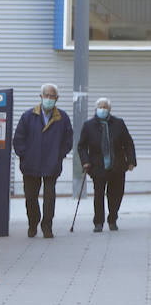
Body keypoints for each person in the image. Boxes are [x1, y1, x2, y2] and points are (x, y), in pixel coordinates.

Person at [12, 83, 74, 238]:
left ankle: (47, 226)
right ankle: (33, 223)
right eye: (46, 95)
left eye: (52, 96)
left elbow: (68, 140)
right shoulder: (28, 116)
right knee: (30, 197)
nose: (49, 98)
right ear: (41, 97)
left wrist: (59, 155)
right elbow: (18, 139)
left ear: (57, 98)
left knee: (49, 198)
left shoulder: (62, 118)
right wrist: (24, 155)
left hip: (52, 164)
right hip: (30, 164)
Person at [77, 96, 137, 232]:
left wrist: (131, 160)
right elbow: (82, 146)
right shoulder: (89, 125)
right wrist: (85, 161)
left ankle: (112, 219)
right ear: (96, 109)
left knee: (116, 194)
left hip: (117, 164)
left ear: (109, 109)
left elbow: (128, 143)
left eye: (105, 107)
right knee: (99, 195)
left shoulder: (119, 123)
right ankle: (98, 222)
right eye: (100, 107)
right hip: (97, 165)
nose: (102, 109)